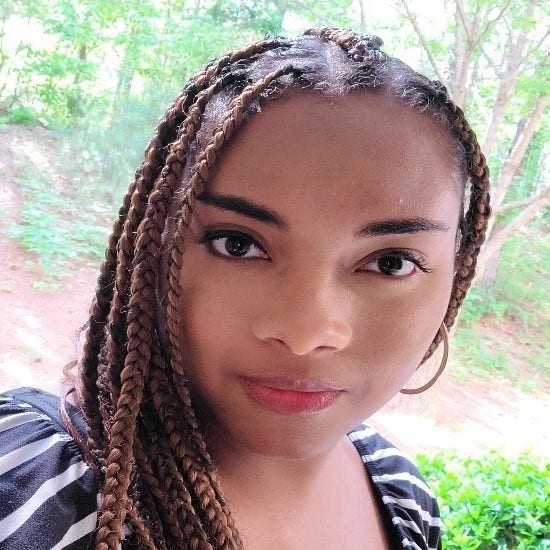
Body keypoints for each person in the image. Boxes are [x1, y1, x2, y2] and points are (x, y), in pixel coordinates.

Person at [0, 27, 490, 550]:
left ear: (455, 277)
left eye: (390, 263)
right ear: (156, 245)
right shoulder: (32, 487)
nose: (305, 334)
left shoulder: (403, 496)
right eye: (237, 244)